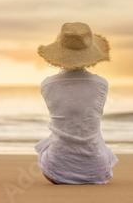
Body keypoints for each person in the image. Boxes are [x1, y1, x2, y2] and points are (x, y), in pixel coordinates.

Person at [34, 22, 119, 184]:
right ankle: (86, 164)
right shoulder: (101, 84)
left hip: (55, 171)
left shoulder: (47, 84)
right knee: (91, 131)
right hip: (95, 170)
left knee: (51, 138)